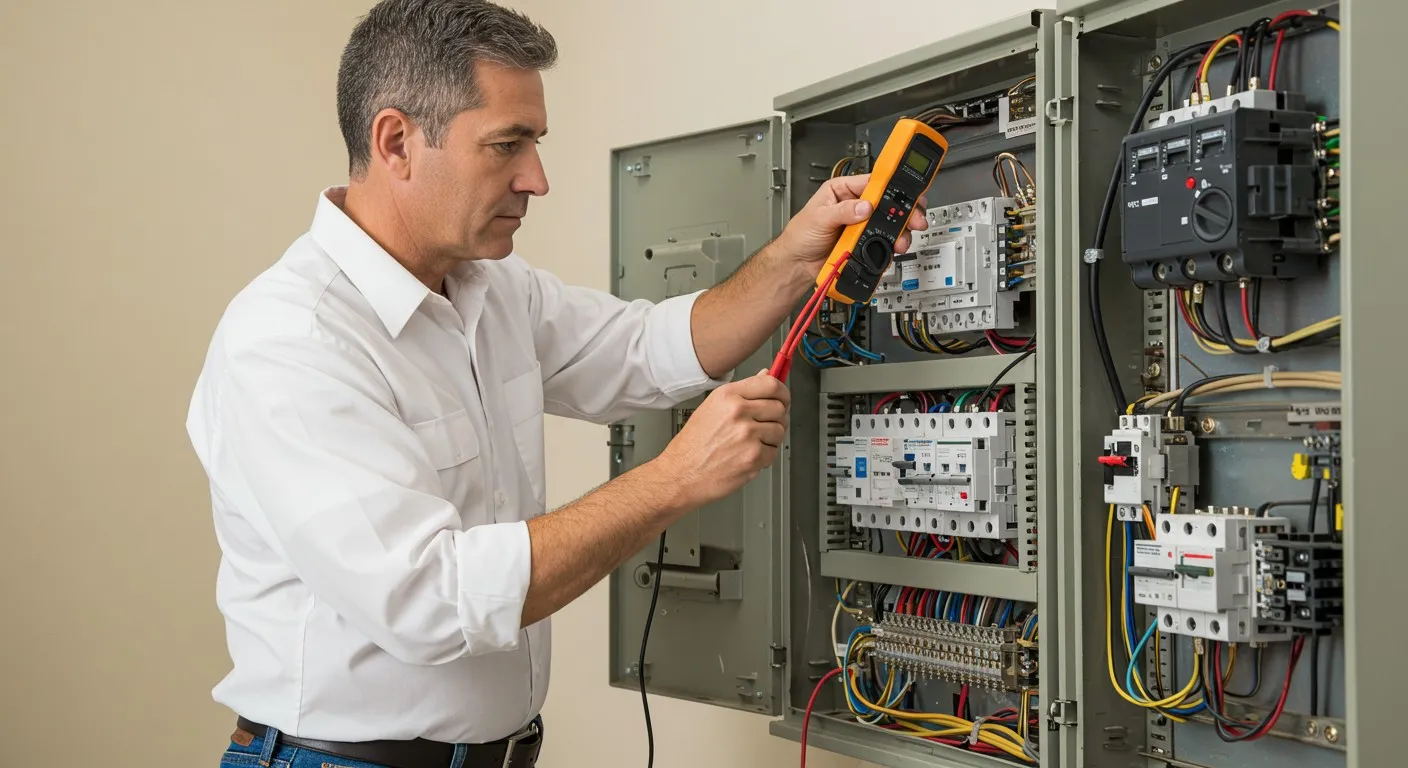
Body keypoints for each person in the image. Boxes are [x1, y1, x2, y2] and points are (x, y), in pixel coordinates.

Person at [186, 1, 925, 767]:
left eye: (534, 144)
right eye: (506, 145)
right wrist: (674, 479)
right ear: (396, 141)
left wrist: (796, 260)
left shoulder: (491, 289)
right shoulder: (293, 340)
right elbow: (429, 599)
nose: (535, 180)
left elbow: (644, 350)